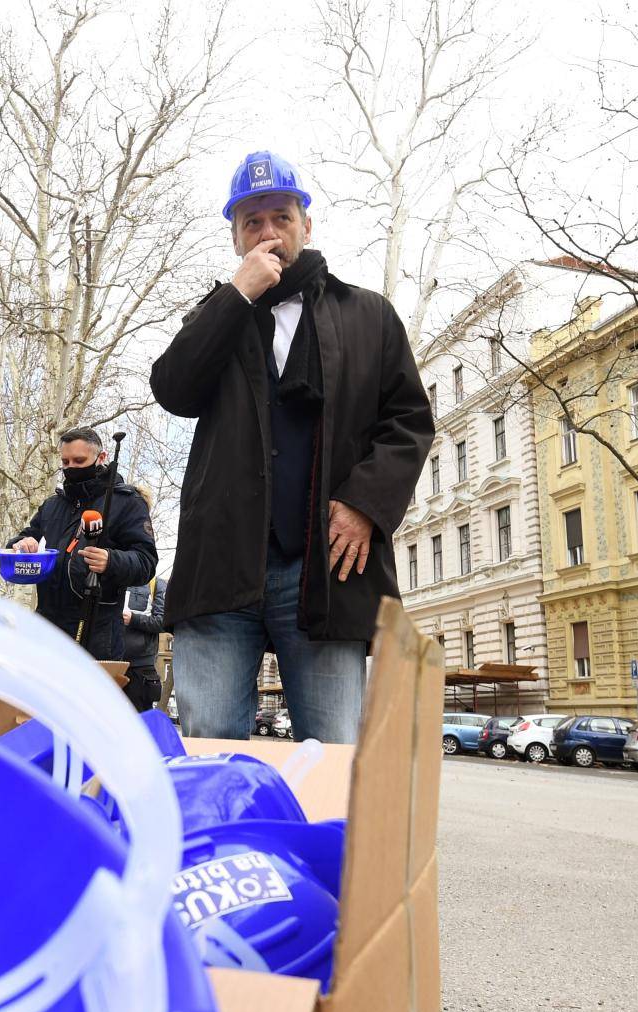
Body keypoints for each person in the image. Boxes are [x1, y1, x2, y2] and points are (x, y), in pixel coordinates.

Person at [149, 149, 432, 743]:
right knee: (210, 749)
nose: (269, 232)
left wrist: (365, 504)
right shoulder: (217, 315)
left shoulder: (368, 316)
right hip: (222, 568)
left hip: (326, 571)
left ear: (307, 223)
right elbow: (172, 388)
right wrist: (235, 298)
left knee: (333, 754)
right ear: (236, 238)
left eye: (281, 216)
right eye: (252, 222)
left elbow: (407, 420)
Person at [8, 427, 158, 660]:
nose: (71, 468)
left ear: (102, 458)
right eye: (65, 462)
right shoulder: (52, 505)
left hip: (98, 635)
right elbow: (23, 537)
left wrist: (112, 560)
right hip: (47, 632)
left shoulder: (127, 503)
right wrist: (22, 543)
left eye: (79, 461)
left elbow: (146, 562)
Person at [122, 576, 168, 713]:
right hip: (112, 662)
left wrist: (133, 619)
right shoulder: (117, 578)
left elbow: (163, 621)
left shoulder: (157, 585)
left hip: (141, 668)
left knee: (140, 722)